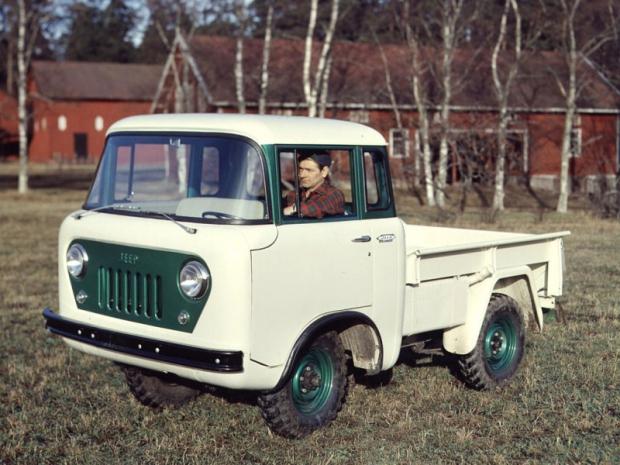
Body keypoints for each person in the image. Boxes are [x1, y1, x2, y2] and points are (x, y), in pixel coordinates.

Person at [283, 152, 345, 218]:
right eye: (300, 169)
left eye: (309, 170)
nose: (302, 175)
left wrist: (293, 209)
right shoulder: (294, 194)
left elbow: (317, 208)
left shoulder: (335, 194)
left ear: (324, 171)